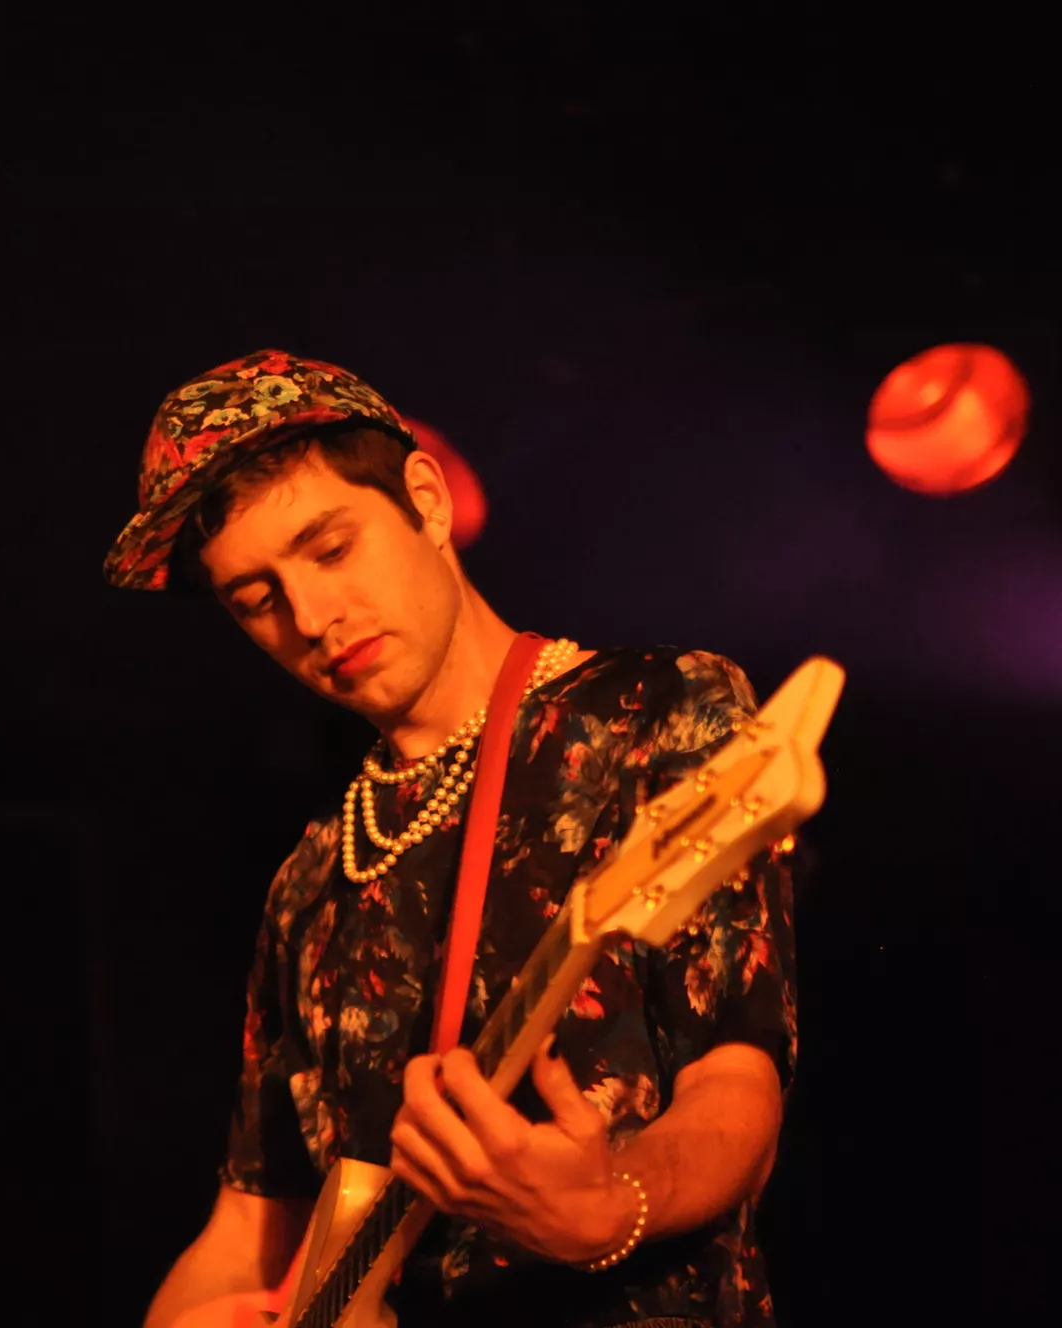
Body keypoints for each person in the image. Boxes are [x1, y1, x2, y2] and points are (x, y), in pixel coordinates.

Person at [108, 351, 797, 1328]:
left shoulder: (649, 711)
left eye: (329, 549)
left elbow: (735, 1082)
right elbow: (247, 1227)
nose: (309, 617)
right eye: (256, 601)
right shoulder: (309, 877)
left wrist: (613, 1201)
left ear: (425, 500)